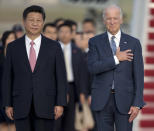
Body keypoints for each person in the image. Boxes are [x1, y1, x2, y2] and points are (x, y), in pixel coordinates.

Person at [1, 5, 67, 131]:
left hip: (46, 104)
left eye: (38, 20)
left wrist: (60, 103)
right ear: (24, 22)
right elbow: (7, 78)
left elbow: (61, 76)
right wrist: (7, 104)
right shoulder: (13, 47)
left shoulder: (54, 47)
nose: (35, 24)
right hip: (20, 104)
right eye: (31, 20)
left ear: (43, 22)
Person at [87, 5, 145, 131]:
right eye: (108, 18)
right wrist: (116, 59)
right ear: (103, 20)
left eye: (115, 18)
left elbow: (138, 75)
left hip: (126, 101)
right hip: (102, 100)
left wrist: (137, 103)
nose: (112, 22)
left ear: (121, 19)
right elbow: (92, 68)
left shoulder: (133, 43)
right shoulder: (94, 42)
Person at [54, 23, 87, 131]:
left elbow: (82, 74)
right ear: (58, 33)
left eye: (67, 32)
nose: (64, 34)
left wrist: (82, 92)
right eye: (61, 32)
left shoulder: (77, 50)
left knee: (70, 121)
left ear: (72, 34)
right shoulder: (52, 49)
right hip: (56, 88)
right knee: (56, 120)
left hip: (72, 87)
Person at [0, 30, 16, 131]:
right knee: (2, 123)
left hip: (14, 94)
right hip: (0, 93)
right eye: (9, 38)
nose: (11, 40)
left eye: (13, 38)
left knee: (13, 123)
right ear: (4, 40)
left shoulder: (19, 55)